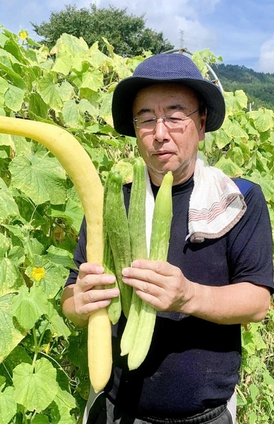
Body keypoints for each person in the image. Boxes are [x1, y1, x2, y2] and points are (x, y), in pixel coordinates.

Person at [61, 53, 274, 424]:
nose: (160, 133)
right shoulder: (113, 202)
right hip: (114, 409)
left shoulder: (237, 200)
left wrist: (189, 295)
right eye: (146, 118)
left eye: (175, 116)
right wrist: (78, 304)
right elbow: (70, 294)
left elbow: (257, 303)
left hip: (205, 416)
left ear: (202, 123)